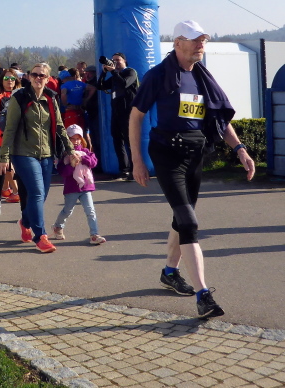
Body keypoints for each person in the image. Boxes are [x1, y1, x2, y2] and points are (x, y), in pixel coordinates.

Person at [130, 20, 256, 319]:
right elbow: (135, 117)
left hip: (195, 155)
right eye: (194, 39)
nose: (201, 44)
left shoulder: (202, 77)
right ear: (177, 43)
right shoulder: (158, 75)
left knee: (181, 219)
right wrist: (137, 161)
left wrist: (240, 149)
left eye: (204, 39)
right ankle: (203, 295)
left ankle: (169, 272)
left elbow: (219, 121)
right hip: (167, 155)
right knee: (188, 222)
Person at [0, 63, 78, 253]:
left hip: (47, 153)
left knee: (41, 195)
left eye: (42, 75)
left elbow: (59, 126)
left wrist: (70, 149)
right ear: (29, 77)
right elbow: (10, 129)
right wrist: (4, 157)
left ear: (48, 78)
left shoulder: (50, 97)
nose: (37, 78)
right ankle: (40, 236)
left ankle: (25, 222)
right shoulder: (20, 97)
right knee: (36, 193)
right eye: (34, 74)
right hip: (23, 153)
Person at [52, 124, 106, 245]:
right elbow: (63, 172)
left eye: (78, 138)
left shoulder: (86, 152)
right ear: (67, 140)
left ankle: (94, 234)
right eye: (72, 139)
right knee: (67, 211)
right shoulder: (65, 155)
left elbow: (93, 163)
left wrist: (82, 159)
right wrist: (72, 165)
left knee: (90, 211)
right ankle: (58, 226)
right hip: (71, 188)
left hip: (86, 187)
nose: (76, 141)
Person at [97, 52, 138, 180]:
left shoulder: (130, 72)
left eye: (118, 60)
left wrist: (114, 72)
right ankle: (124, 170)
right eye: (113, 60)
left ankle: (134, 170)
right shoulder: (115, 76)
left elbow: (124, 84)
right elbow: (100, 86)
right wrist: (104, 72)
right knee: (117, 140)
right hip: (116, 112)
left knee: (129, 141)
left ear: (124, 61)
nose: (115, 62)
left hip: (128, 112)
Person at [0, 68, 21, 215]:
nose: (9, 81)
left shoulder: (21, 95)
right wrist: (5, 134)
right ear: (1, 81)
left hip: (19, 140)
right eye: (6, 79)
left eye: (12, 79)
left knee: (18, 170)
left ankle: (20, 197)